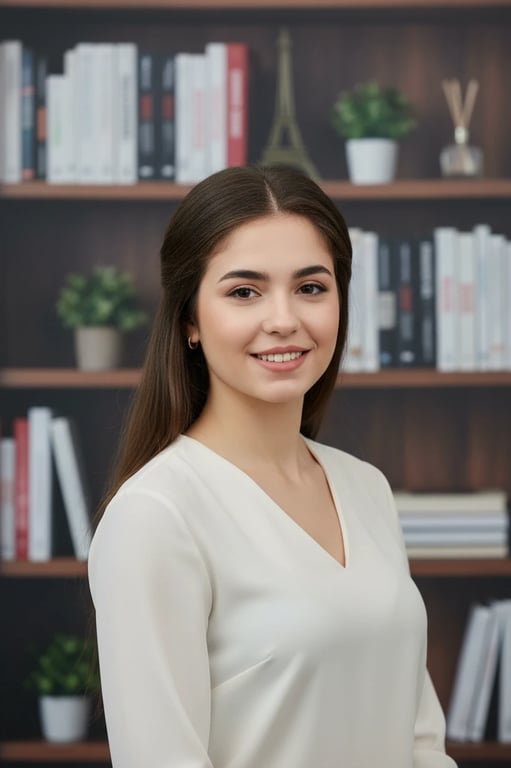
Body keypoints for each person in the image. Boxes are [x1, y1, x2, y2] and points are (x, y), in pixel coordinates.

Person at [88, 164, 457, 768]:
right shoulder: (154, 517)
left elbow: (420, 740)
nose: (284, 319)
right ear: (189, 321)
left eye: (312, 287)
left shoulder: (365, 487)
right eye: (244, 291)